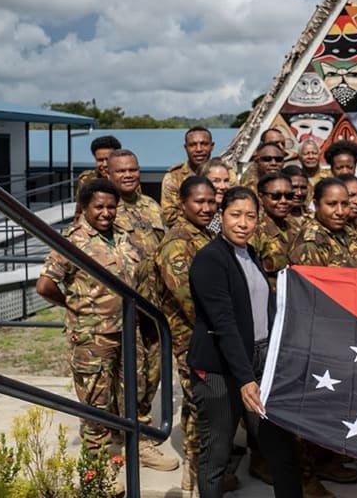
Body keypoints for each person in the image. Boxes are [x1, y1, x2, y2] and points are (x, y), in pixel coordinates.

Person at [188, 186, 301, 498]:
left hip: (259, 364)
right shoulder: (210, 259)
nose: (242, 223)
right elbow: (223, 324)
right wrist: (245, 379)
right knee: (217, 456)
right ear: (220, 216)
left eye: (250, 216)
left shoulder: (250, 253)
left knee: (280, 450)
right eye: (235, 215)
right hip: (221, 371)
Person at [36, 179, 141, 465]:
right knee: (96, 399)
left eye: (111, 207)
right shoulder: (72, 241)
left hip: (124, 330)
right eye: (99, 207)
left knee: (123, 394)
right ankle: (94, 470)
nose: (106, 212)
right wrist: (73, 304)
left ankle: (123, 450)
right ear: (84, 207)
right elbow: (45, 285)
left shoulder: (120, 235)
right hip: (92, 336)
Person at [288, 178, 357, 497]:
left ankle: (325, 461)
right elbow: (313, 301)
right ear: (316, 205)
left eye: (344, 204)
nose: (339, 210)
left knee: (335, 408)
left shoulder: (349, 234)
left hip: (346, 337)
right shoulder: (310, 243)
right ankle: (304, 477)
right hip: (317, 341)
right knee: (312, 410)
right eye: (331, 204)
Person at [106, 149, 179, 471]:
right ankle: (134, 441)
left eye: (133, 169)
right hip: (124, 309)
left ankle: (135, 430)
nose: (128, 175)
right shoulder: (104, 209)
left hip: (155, 307)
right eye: (121, 170)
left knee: (152, 374)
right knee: (128, 377)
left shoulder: (151, 206)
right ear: (109, 174)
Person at [155, 176, 218, 490]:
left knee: (205, 402)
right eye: (199, 202)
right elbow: (185, 296)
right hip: (192, 337)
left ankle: (206, 466)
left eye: (211, 201)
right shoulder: (179, 241)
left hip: (210, 334)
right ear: (182, 204)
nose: (206, 208)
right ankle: (195, 471)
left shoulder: (206, 234)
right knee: (199, 402)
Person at [162, 127, 235, 226]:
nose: (199, 149)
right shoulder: (173, 177)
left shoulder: (227, 173)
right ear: (186, 147)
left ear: (212, 146)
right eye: (193, 145)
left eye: (204, 144)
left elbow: (235, 205)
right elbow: (169, 216)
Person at [251, 173, 297, 296]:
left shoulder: (296, 227)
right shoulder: (254, 231)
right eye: (276, 196)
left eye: (289, 196)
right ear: (260, 198)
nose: (283, 201)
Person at [74, 135, 121, 217]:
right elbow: (79, 211)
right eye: (100, 160)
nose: (104, 164)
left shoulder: (127, 179)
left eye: (108, 159)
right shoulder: (86, 179)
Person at [200, 157, 234, 234]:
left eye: (226, 181)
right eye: (216, 181)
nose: (223, 186)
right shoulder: (200, 216)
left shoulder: (232, 212)